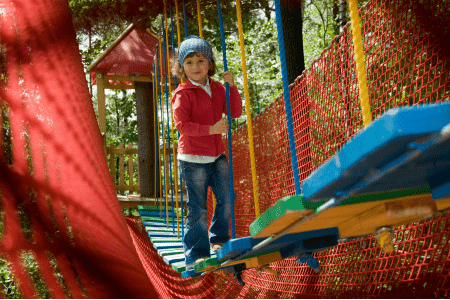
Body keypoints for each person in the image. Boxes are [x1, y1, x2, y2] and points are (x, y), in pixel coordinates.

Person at [171, 35, 242, 270]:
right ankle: (195, 254)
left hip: (216, 154)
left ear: (209, 64)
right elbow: (183, 127)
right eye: (189, 63)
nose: (196, 67)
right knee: (199, 208)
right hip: (193, 159)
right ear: (182, 68)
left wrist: (232, 88)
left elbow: (234, 112)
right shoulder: (183, 94)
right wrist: (211, 129)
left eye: (201, 61)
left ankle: (219, 240)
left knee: (227, 199)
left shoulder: (218, 88)